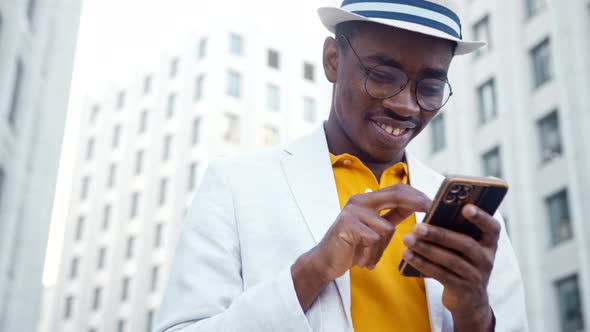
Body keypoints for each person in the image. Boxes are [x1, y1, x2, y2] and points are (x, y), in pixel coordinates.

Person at [155, 1, 528, 331]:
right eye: (383, 76)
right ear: (333, 59)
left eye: (429, 87)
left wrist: (475, 313)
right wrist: (312, 270)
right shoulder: (236, 186)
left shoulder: (471, 218)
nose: (406, 105)